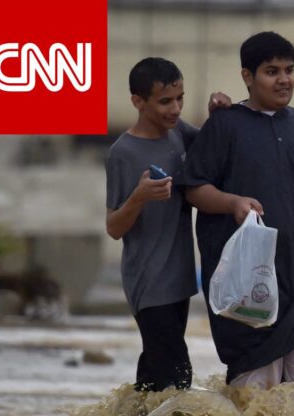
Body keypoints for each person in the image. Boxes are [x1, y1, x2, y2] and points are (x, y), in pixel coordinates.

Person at [180, 31, 294, 389]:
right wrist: (232, 202)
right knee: (253, 396)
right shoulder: (225, 124)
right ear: (248, 77)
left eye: (289, 70)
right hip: (247, 281)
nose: (284, 80)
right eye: (271, 71)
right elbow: (194, 189)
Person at [105, 57, 231, 392]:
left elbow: (213, 148)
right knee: (177, 375)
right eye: (164, 102)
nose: (175, 109)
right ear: (138, 102)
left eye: (180, 99)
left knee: (154, 375)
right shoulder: (123, 152)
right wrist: (139, 197)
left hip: (179, 279)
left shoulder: (179, 134)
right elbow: (114, 227)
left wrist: (217, 114)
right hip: (147, 282)